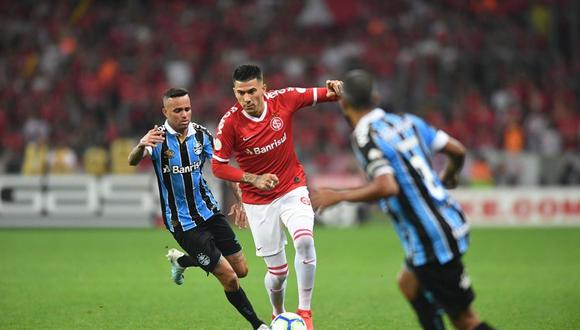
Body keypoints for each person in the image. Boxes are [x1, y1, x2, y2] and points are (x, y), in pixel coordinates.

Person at [311, 70, 495, 330]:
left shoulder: (366, 137)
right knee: (408, 284)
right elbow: (457, 150)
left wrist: (339, 196)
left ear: (343, 104)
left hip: (432, 237)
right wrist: (450, 175)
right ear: (375, 97)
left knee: (465, 320)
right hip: (449, 219)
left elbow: (387, 186)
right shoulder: (407, 121)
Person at [211, 64, 343, 330]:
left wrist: (337, 89)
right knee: (278, 274)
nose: (246, 99)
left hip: (292, 187)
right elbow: (218, 166)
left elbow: (327, 95)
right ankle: (278, 313)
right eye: (240, 93)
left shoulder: (283, 99)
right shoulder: (230, 123)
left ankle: (305, 312)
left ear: (264, 88)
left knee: (304, 240)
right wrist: (253, 179)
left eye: (251, 91)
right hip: (258, 201)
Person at [128, 87, 268, 330]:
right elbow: (133, 159)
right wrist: (140, 145)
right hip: (182, 222)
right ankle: (259, 325)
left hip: (209, 212)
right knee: (230, 278)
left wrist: (240, 199)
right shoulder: (157, 138)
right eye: (178, 110)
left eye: (187, 109)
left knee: (241, 269)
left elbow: (223, 167)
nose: (184, 114)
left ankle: (182, 260)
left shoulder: (202, 135)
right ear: (165, 112)